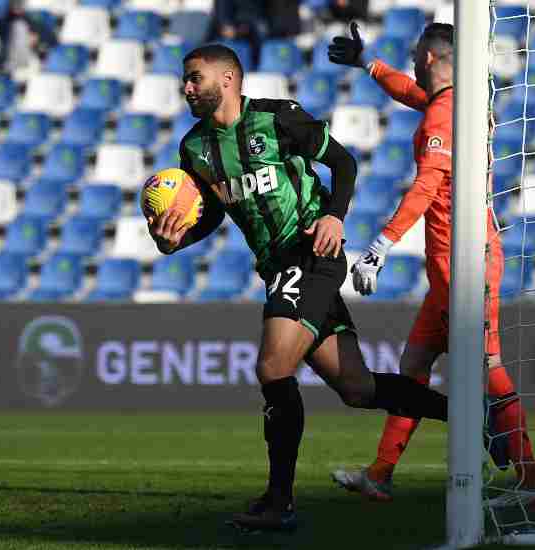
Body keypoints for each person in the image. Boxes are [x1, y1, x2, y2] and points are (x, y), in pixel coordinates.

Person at [146, 43, 455, 533]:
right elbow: (211, 214)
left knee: (273, 366)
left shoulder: (277, 118)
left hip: (311, 250)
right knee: (357, 387)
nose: (186, 88)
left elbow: (345, 164)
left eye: (195, 78)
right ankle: (468, 417)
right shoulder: (195, 149)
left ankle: (278, 501)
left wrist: (334, 214)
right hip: (277, 266)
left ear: (227, 80)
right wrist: (175, 240)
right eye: (185, 80)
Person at [327, 22, 535, 509]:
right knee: (415, 364)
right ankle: (381, 473)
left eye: (412, 55)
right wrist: (369, 63)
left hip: (464, 262)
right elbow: (411, 92)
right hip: (450, 263)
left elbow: (427, 186)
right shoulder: (456, 104)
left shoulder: (441, 116)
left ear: (428, 57)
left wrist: (381, 245)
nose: (409, 63)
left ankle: (531, 482)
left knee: (487, 364)